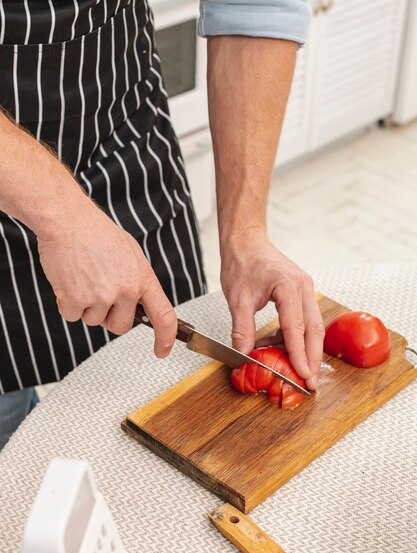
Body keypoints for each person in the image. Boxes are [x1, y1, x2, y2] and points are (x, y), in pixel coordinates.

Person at [0, 0, 324, 449]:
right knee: (9, 433)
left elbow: (254, 5)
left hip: (121, 139)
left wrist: (245, 231)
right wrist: (62, 215)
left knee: (170, 397)